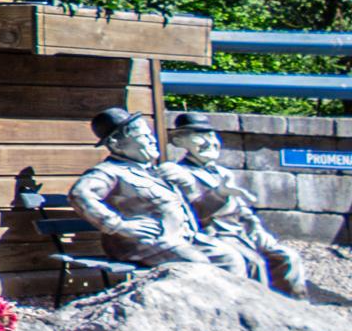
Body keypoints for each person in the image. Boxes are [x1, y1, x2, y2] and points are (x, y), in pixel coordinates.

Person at [69, 107, 250, 275]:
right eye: (144, 136)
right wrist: (118, 225)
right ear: (117, 145)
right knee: (196, 265)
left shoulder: (155, 172)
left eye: (150, 134)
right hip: (142, 244)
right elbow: (80, 194)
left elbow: (195, 212)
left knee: (231, 260)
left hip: (182, 239)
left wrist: (219, 194)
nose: (153, 140)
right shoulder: (110, 171)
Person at [164, 112, 306, 297]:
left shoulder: (222, 172)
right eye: (199, 136)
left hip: (242, 232)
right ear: (179, 141)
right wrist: (219, 194)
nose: (209, 142)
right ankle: (257, 307)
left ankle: (296, 306)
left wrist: (257, 229)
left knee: (287, 258)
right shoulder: (179, 173)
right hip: (214, 234)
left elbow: (242, 208)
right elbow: (191, 212)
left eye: (211, 136)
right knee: (253, 263)